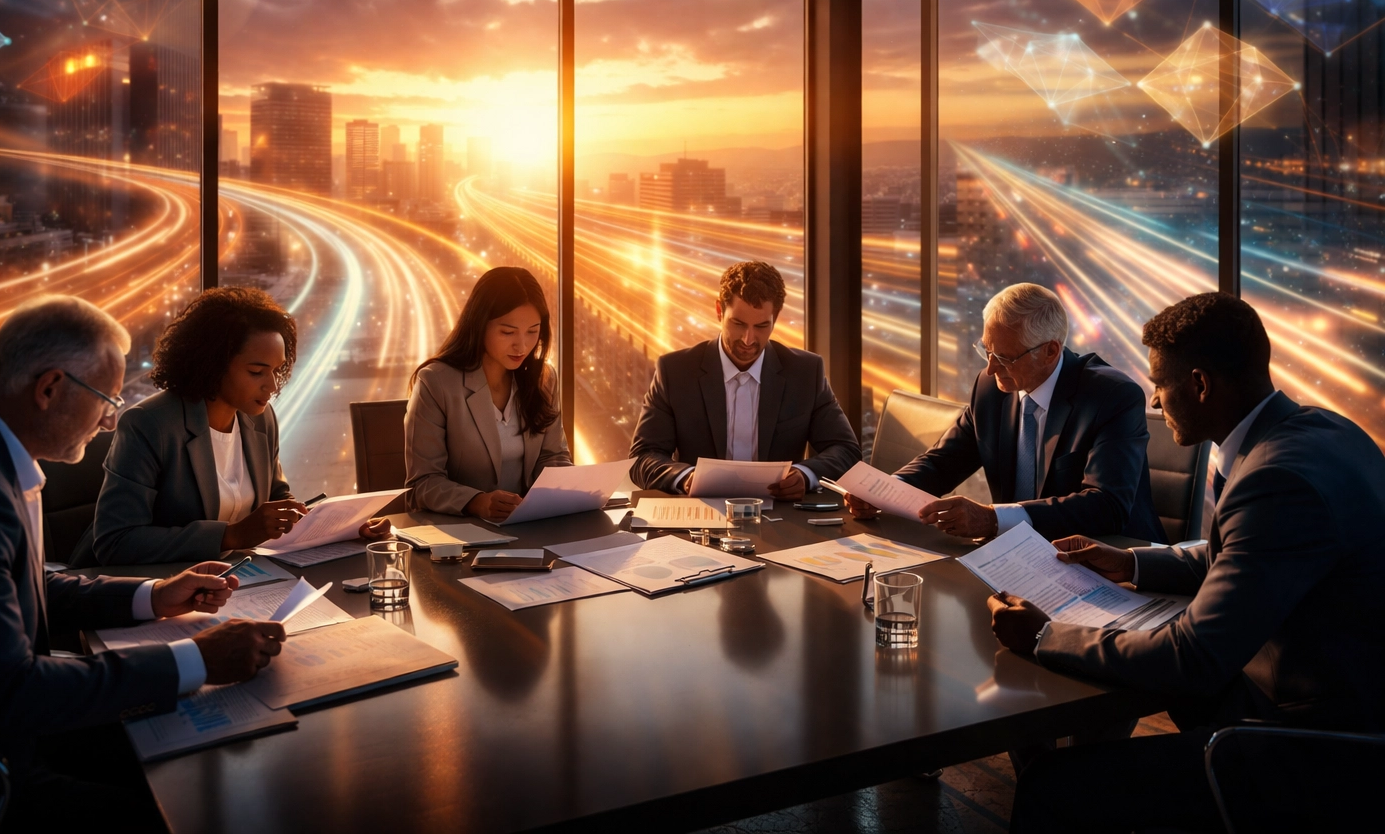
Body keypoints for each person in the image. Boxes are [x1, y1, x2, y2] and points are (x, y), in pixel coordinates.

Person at [0, 296, 287, 831]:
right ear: (50, 388)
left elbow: (23, 589)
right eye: (105, 398)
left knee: (222, 763)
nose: (108, 422)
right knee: (211, 808)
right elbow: (6, 693)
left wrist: (151, 595)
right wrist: (195, 659)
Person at [990, 292, 1385, 833]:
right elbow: (1249, 554)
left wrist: (1045, 637)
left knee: (1050, 787)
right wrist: (1133, 563)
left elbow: (1195, 657)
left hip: (1313, 745)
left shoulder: (1275, 480)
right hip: (1325, 696)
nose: (1154, 402)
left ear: (1200, 384)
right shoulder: (1324, 432)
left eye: (1161, 384)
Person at [88, 287, 387, 565]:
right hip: (167, 589)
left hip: (241, 577)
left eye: (277, 371)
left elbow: (277, 500)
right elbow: (115, 542)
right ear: (212, 364)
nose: (272, 386)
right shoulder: (149, 425)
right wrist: (232, 535)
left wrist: (346, 526)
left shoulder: (260, 418)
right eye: (257, 372)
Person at [851, 282, 1163, 541]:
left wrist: (993, 519)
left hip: (1110, 559)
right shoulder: (991, 388)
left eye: (1004, 357)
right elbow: (945, 461)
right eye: (987, 351)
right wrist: (884, 491)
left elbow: (1107, 506)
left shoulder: (1112, 396)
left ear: (1050, 351)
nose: (989, 368)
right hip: (1016, 556)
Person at [629, 260, 860, 499]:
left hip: (782, 521)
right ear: (719, 311)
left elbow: (846, 450)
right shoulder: (675, 371)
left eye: (761, 326)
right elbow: (643, 457)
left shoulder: (805, 371)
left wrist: (805, 474)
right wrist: (686, 477)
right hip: (700, 515)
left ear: (775, 318)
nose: (748, 340)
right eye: (738, 324)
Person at [406, 267, 573, 520]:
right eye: (508, 332)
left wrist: (568, 490)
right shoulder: (436, 382)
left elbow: (554, 456)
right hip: (460, 533)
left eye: (533, 331)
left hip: (530, 527)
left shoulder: (543, 379)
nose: (522, 345)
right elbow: (422, 483)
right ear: (479, 325)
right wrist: (477, 502)